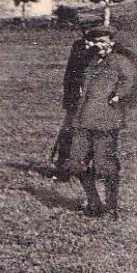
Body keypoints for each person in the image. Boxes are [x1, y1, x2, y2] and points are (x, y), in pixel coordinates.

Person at [65, 25, 137, 217]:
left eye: (103, 41)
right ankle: (94, 202)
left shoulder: (120, 61)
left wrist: (117, 96)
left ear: (111, 42)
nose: (99, 45)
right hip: (83, 119)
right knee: (75, 163)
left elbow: (130, 80)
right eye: (96, 41)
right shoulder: (90, 61)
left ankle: (111, 208)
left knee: (105, 166)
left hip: (106, 120)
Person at [50, 27, 98, 179]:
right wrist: (68, 99)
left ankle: (89, 169)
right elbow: (70, 73)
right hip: (76, 99)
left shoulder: (108, 48)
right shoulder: (78, 45)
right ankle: (62, 170)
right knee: (68, 134)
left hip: (97, 100)